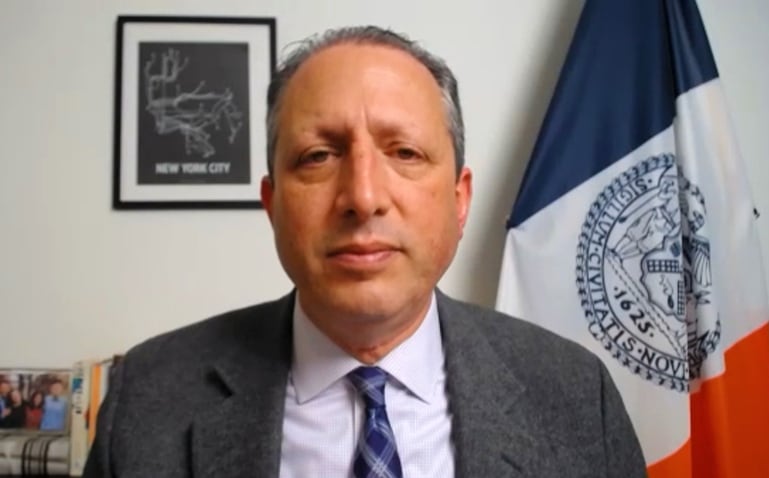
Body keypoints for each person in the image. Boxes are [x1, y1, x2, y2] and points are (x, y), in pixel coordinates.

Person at [84, 26, 645, 477]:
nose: (364, 197)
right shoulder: (147, 400)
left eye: (404, 152)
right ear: (272, 203)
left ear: (459, 200)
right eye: (318, 156)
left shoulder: (577, 395)